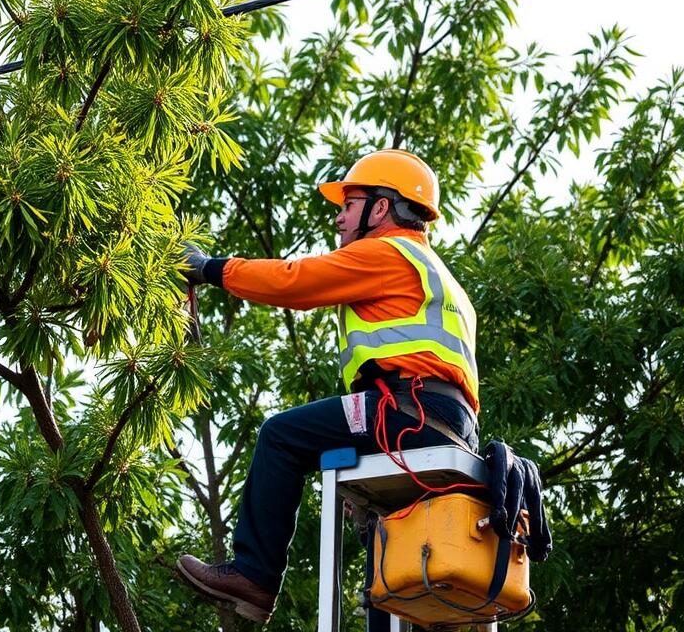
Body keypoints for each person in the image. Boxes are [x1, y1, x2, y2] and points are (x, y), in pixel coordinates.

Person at [174, 149, 481, 626]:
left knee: (281, 436)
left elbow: (293, 282)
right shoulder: (442, 277)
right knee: (386, 553)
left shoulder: (387, 252)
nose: (339, 218)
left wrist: (209, 268)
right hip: (451, 428)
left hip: (405, 412)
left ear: (381, 208)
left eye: (349, 205)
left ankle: (254, 576)